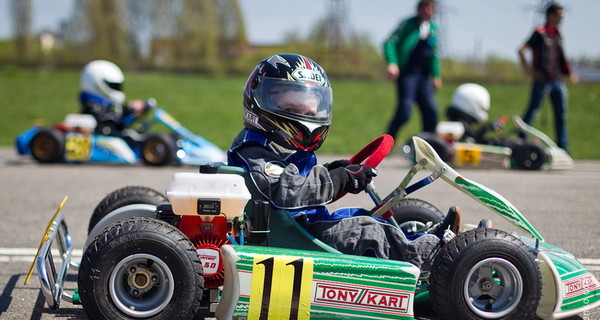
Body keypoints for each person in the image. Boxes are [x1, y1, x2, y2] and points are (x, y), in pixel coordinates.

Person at [227, 53, 460, 270]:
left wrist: (334, 170)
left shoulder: (270, 146)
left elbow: (295, 179)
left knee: (360, 216)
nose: (305, 119)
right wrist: (340, 179)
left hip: (299, 226)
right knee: (367, 232)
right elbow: (285, 189)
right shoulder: (254, 149)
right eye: (291, 109)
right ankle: (439, 257)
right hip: (287, 239)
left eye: (310, 114)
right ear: (260, 102)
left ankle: (419, 240)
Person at [518, 2, 578, 151]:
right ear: (550, 15)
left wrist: (569, 73)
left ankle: (562, 146)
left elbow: (561, 56)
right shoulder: (539, 32)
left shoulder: (557, 34)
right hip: (541, 80)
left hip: (557, 80)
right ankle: (520, 141)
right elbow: (521, 50)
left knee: (561, 113)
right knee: (532, 111)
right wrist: (529, 71)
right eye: (559, 15)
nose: (561, 19)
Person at [383, 0, 442, 142]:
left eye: (431, 8)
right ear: (419, 9)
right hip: (408, 74)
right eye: (425, 7)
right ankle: (386, 143)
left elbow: (434, 54)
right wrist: (392, 63)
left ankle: (429, 147)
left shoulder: (433, 29)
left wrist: (436, 75)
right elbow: (389, 43)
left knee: (431, 112)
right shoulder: (408, 24)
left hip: (424, 77)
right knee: (404, 112)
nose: (428, 11)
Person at [79, 60, 147, 136]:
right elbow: (107, 119)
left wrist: (131, 110)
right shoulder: (91, 105)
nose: (116, 88)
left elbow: (117, 122)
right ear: (96, 85)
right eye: (113, 86)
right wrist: (128, 109)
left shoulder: (105, 105)